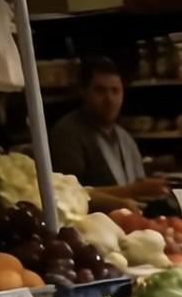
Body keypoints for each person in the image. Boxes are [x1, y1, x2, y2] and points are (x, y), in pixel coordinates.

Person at [50, 58, 166, 205]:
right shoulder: (67, 134)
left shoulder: (125, 138)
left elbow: (138, 186)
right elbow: (67, 195)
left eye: (115, 91)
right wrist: (133, 191)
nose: (109, 99)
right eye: (100, 91)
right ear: (83, 92)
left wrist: (152, 187)